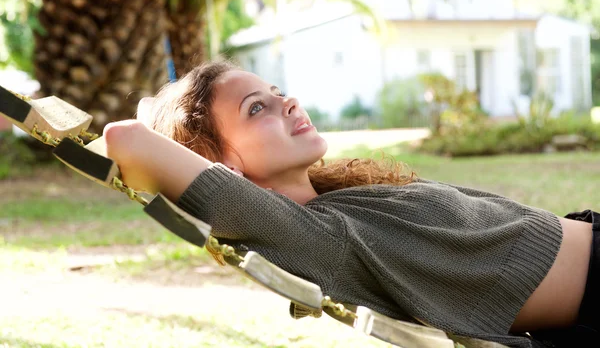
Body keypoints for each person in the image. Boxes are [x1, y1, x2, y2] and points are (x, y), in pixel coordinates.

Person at [103, 60, 597, 348]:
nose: (288, 103)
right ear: (222, 169)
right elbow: (125, 139)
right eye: (257, 109)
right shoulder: (310, 235)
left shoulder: (342, 200)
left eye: (277, 94)